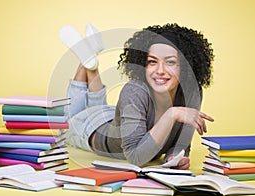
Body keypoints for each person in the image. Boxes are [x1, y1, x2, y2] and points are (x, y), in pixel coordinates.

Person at [60, 23, 215, 169]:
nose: (160, 70)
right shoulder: (134, 91)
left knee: (98, 107)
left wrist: (175, 157)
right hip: (87, 129)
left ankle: (89, 59)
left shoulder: (192, 92)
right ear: (143, 65)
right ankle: (86, 62)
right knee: (65, 126)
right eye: (152, 62)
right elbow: (136, 157)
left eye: (170, 62)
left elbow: (181, 143)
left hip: (114, 117)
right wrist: (171, 114)